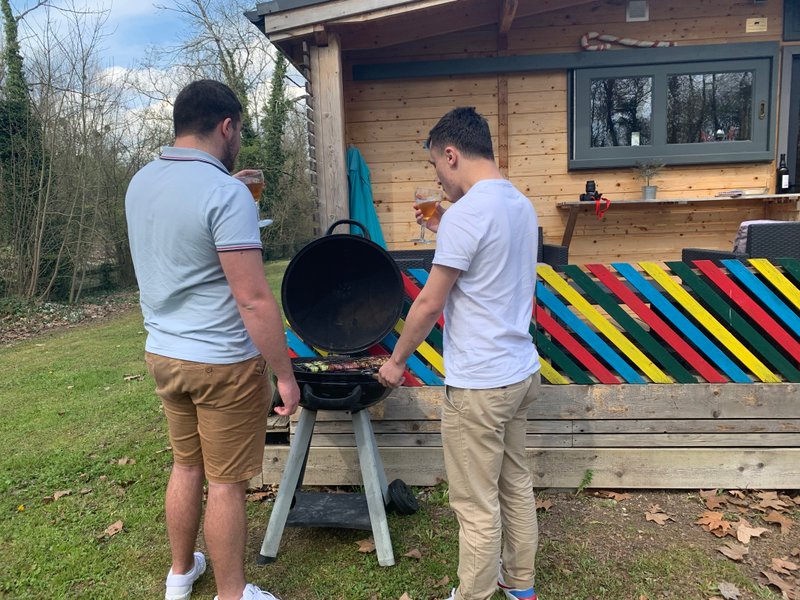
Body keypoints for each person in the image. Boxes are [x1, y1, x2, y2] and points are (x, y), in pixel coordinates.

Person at [125, 79, 300, 600]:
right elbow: (253, 300)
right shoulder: (225, 194)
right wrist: (285, 375)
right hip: (223, 362)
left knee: (185, 464)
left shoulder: (140, 182)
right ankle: (232, 593)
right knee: (226, 482)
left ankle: (180, 575)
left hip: (164, 353)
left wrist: (230, 187)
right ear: (227, 126)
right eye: (239, 131)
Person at [377, 107, 542, 600]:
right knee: (515, 486)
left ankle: (473, 594)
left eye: (435, 167)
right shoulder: (520, 204)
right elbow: (489, 257)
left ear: (451, 154)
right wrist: (445, 224)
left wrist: (396, 360)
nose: (436, 179)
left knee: (475, 505)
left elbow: (429, 304)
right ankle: (520, 586)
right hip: (519, 375)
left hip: (480, 385)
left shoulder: (467, 216)